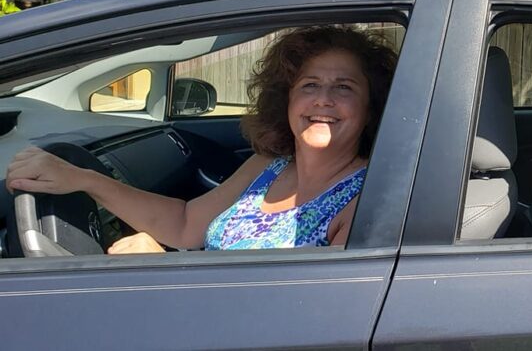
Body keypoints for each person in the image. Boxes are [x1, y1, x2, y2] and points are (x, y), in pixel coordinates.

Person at [5, 26, 398, 252]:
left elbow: (318, 317)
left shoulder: (366, 198)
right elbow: (185, 223)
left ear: (370, 108)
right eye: (309, 85)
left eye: (344, 88)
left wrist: (163, 274)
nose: (323, 99)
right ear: (287, 99)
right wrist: (85, 180)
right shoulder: (268, 165)